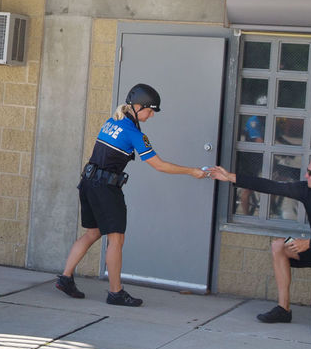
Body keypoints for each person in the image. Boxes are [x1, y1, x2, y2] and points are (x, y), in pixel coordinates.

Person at [55, 83, 209, 307]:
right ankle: (115, 292)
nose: (152, 115)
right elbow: (159, 165)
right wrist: (192, 171)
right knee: (116, 239)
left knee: (93, 232)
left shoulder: (113, 122)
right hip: (106, 188)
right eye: (150, 110)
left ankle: (66, 278)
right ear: (138, 107)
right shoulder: (134, 133)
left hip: (88, 183)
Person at [210, 154, 311, 337]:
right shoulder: (307, 191)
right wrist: (230, 177)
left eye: (310, 172)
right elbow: (272, 186)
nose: (306, 175)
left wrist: (309, 243)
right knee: (279, 245)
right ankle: (283, 309)